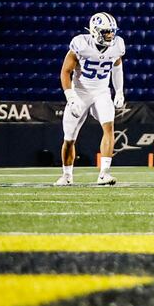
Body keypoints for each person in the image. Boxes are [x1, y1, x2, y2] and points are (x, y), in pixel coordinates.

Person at [56, 12, 125, 187]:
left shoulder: (117, 45)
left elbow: (117, 66)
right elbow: (65, 71)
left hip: (102, 91)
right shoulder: (81, 44)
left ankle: (104, 173)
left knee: (109, 127)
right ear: (95, 31)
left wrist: (119, 91)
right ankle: (67, 175)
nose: (111, 35)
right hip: (80, 92)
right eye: (106, 32)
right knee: (69, 138)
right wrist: (70, 97)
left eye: (112, 31)